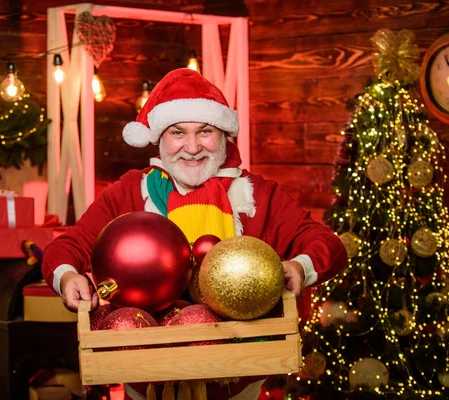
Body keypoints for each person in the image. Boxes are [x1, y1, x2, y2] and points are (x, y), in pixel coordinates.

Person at [42, 68, 347, 399]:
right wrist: (66, 277)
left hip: (238, 380)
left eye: (205, 131)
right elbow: (69, 246)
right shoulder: (131, 191)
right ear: (160, 138)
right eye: (177, 132)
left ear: (223, 136)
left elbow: (328, 245)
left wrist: (299, 267)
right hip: (147, 381)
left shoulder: (258, 194)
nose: (191, 147)